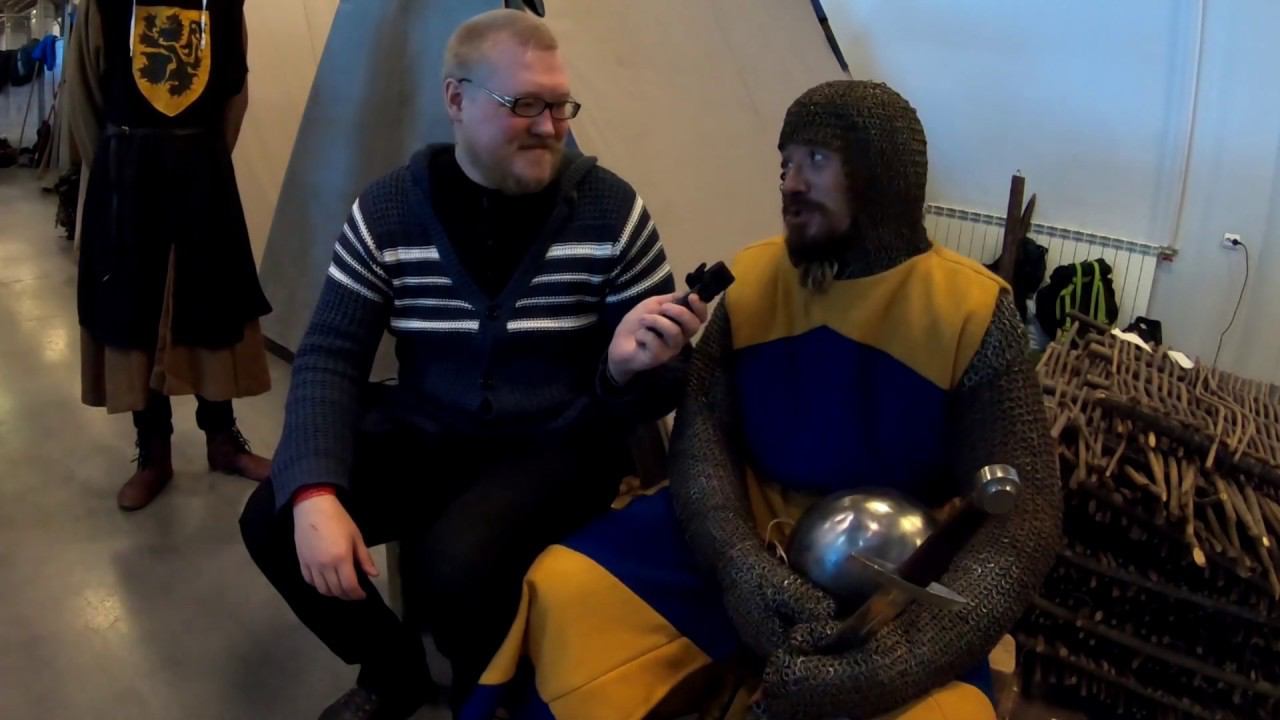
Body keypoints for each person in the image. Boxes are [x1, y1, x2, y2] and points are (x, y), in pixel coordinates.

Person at [462, 80, 1061, 720]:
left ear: (882, 175)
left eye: (816, 161)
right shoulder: (753, 281)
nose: (791, 184)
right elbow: (705, 437)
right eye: (785, 164)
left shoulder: (969, 310)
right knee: (569, 588)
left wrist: (900, 660)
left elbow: (1022, 519)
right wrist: (738, 565)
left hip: (893, 565)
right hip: (752, 524)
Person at [238, 10, 706, 720]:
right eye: (526, 104)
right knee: (271, 522)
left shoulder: (613, 213)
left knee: (458, 570)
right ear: (456, 100)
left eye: (561, 105)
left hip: (559, 441)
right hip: (429, 429)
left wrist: (621, 372)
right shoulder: (388, 211)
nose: (550, 126)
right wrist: (313, 492)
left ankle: (487, 699)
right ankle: (393, 671)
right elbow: (330, 358)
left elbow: (666, 381)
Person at [65, 0, 274, 512]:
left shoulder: (223, 3)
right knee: (136, 312)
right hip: (128, 174)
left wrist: (200, 157)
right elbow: (85, 94)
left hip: (201, 171)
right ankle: (153, 453)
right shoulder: (102, 4)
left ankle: (223, 441)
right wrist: (117, 166)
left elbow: (234, 93)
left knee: (210, 303)